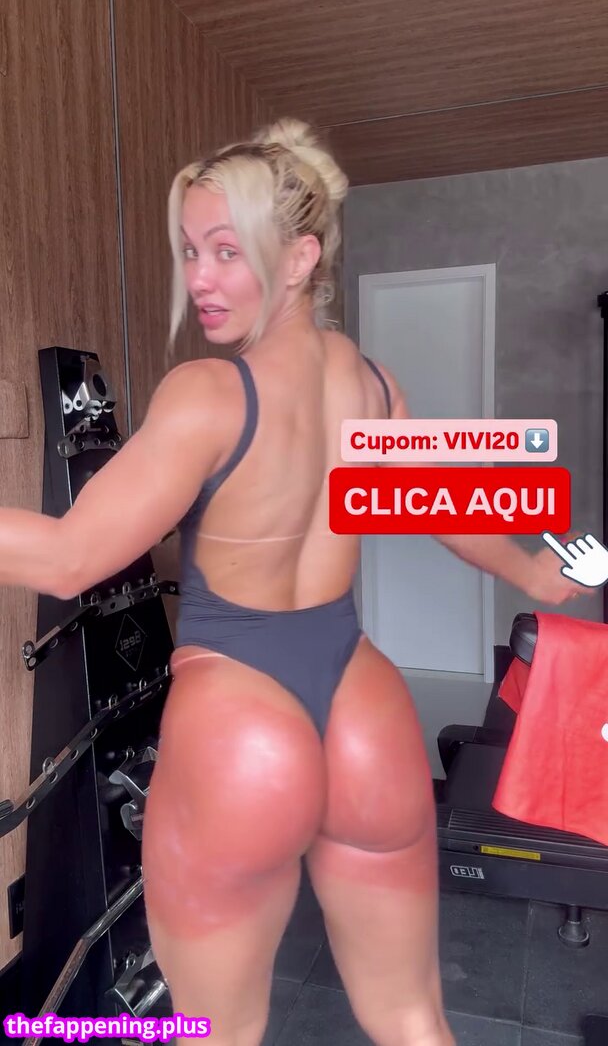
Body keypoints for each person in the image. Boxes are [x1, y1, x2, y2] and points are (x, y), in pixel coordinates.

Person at [0, 118, 585, 1046]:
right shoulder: (374, 386)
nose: (200, 278)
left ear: (302, 257)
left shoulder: (207, 394)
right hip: (364, 712)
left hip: (239, 714)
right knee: (411, 1017)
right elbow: (444, 506)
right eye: (190, 250)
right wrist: (533, 573)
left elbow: (71, 557)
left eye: (228, 251)